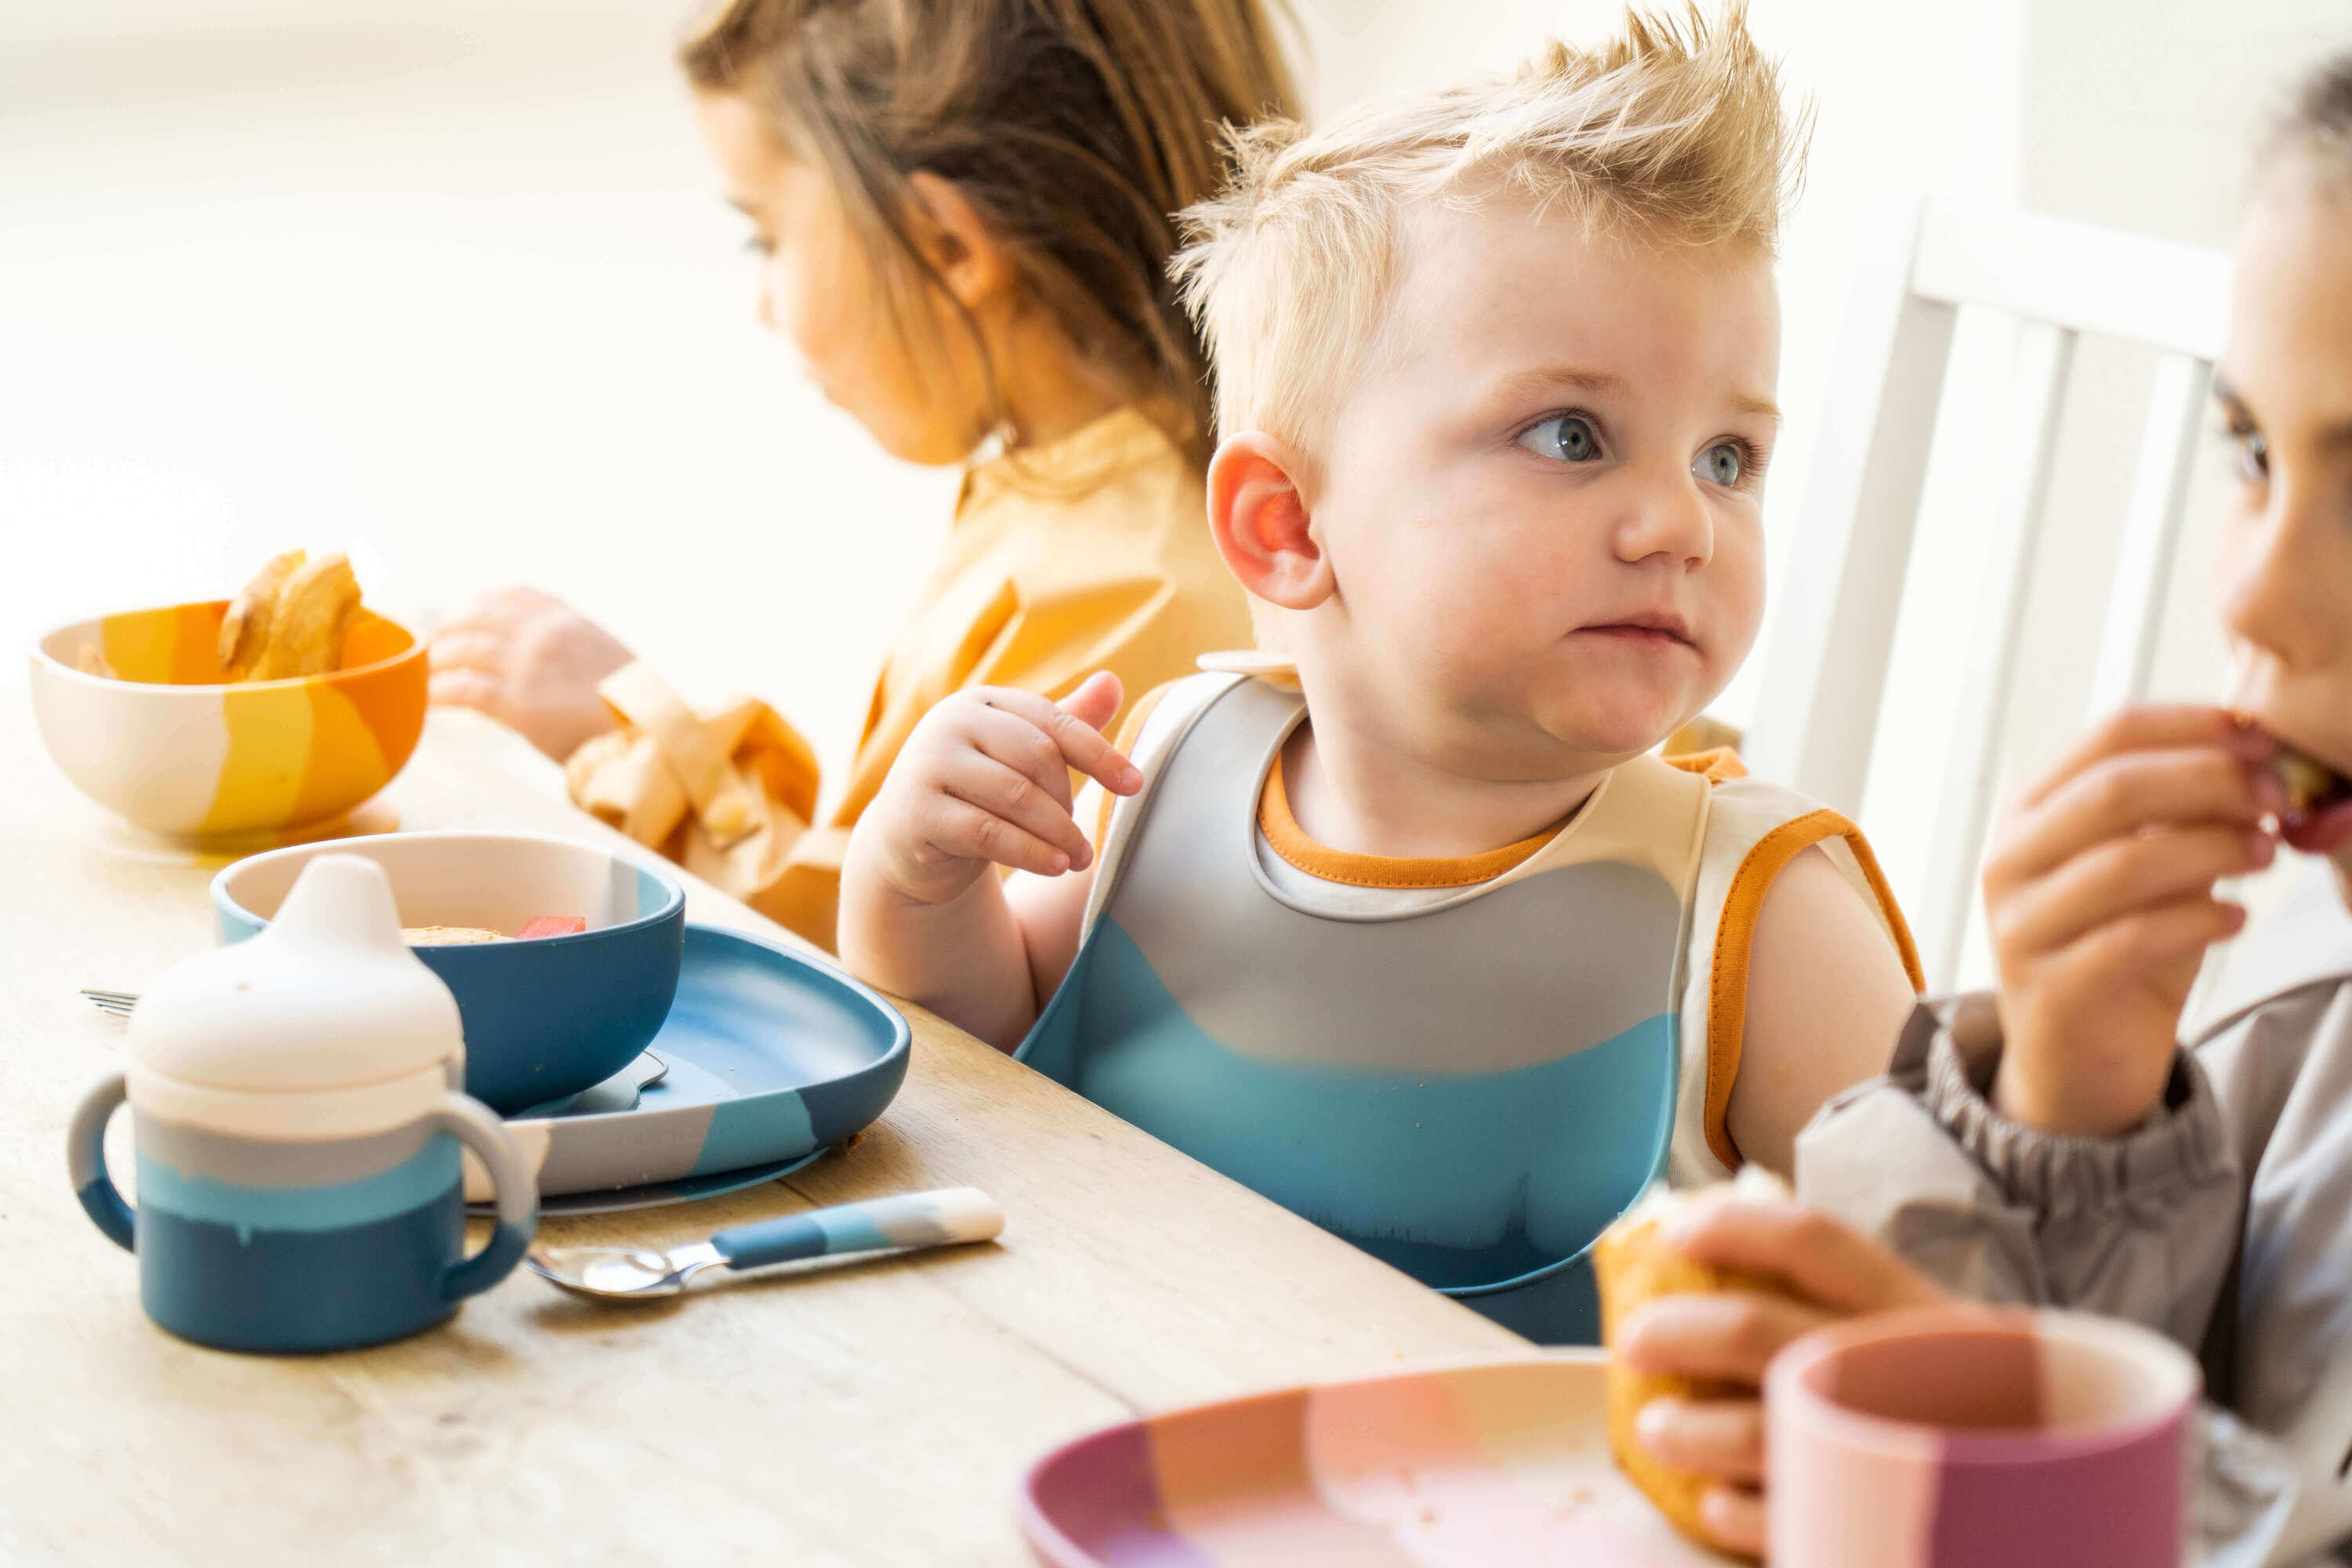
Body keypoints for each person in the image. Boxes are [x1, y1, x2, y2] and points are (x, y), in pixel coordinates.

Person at [835, 3, 1923, 1346]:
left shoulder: (1763, 917)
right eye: (1574, 435)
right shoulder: (1169, 774)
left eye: (1727, 458)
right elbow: (982, 1053)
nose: (1680, 525)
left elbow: (1957, 1322)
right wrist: (915, 880)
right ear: (1288, 527)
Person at [1613, 51, 2352, 1563]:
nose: (2251, 593)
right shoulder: (2299, 1047)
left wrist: (2045, 1458)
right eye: (2253, 453)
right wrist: (2070, 1122)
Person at [428, 0, 1298, 952]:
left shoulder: (1133, 585)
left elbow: (887, 965)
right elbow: (866, 848)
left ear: (950, 245)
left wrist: (631, 733)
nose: (763, 302)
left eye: (765, 236)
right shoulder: (1075, 491)